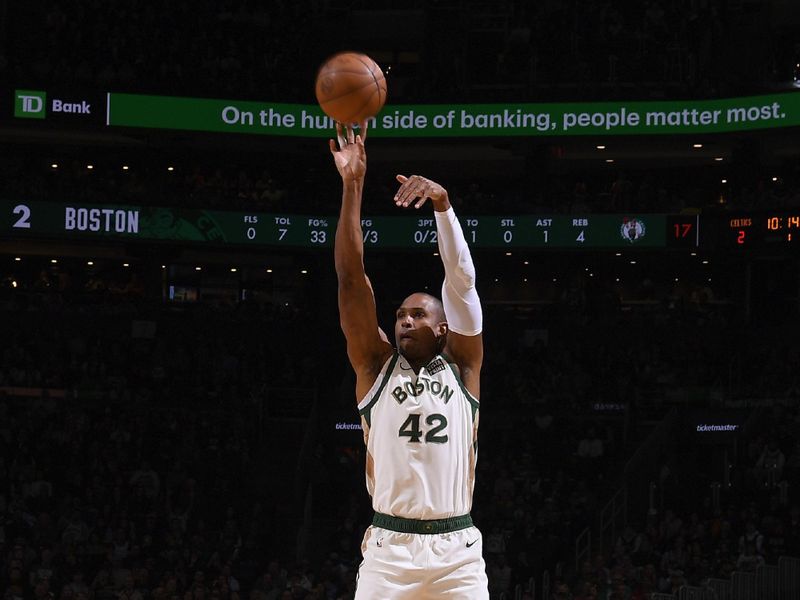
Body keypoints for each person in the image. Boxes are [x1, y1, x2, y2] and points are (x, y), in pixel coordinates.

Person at [330, 122, 489, 599]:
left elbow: (461, 282)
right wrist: (353, 185)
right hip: (389, 549)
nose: (403, 320)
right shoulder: (374, 367)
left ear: (443, 329)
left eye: (417, 314)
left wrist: (444, 207)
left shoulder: (463, 366)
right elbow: (351, 279)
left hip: (456, 550)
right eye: (399, 314)